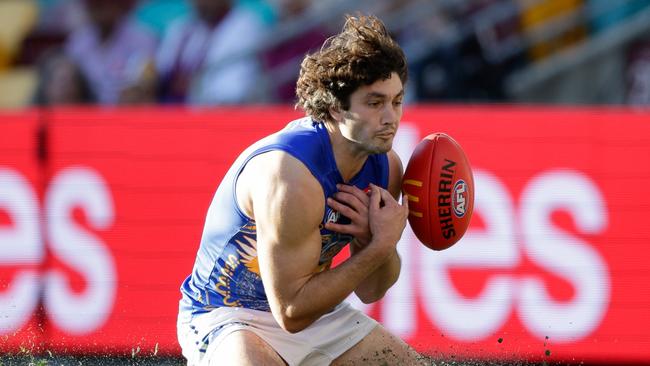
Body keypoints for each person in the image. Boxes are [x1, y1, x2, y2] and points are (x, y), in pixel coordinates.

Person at [177, 14, 428, 365]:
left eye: (397, 101)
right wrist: (381, 246)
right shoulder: (290, 176)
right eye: (374, 103)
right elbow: (291, 312)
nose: (391, 117)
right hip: (228, 315)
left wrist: (373, 243)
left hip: (316, 314)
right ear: (336, 108)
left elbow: (372, 289)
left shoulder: (386, 167)